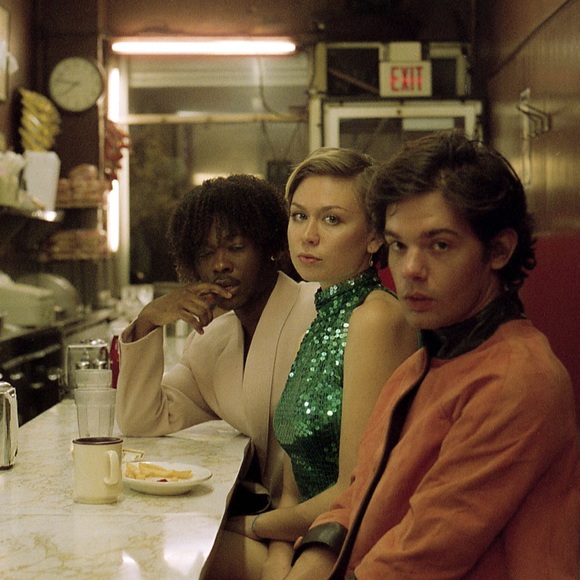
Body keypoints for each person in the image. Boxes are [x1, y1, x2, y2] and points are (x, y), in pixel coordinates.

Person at [287, 131, 580, 579]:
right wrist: (308, 564)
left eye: (439, 245)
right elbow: (356, 497)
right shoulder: (422, 364)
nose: (410, 269)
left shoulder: (517, 378)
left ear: (499, 250)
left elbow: (420, 556)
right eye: (399, 245)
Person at [219, 148, 417, 579]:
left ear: (374, 237)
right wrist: (276, 555)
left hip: (352, 546)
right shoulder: (321, 310)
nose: (307, 235)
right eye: (298, 216)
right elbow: (294, 480)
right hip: (300, 536)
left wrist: (252, 526)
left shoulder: (375, 317)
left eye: (331, 219)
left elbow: (353, 490)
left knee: (188, 545)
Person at [115, 174, 319, 514]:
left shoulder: (315, 310)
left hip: (320, 519)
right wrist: (149, 320)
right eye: (206, 253)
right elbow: (140, 420)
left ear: (270, 248)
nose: (220, 264)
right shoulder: (211, 343)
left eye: (236, 248)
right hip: (270, 515)